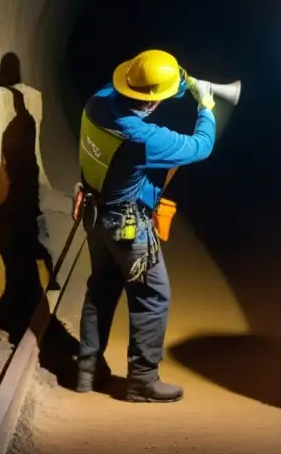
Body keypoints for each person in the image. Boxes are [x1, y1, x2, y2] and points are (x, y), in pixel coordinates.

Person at [75, 48, 217, 403]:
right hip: (129, 226)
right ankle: (142, 381)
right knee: (152, 296)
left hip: (95, 215)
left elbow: (121, 88)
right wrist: (206, 108)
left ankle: (87, 370)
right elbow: (200, 146)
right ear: (154, 103)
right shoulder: (142, 138)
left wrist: (177, 82)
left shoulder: (97, 102)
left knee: (102, 287)